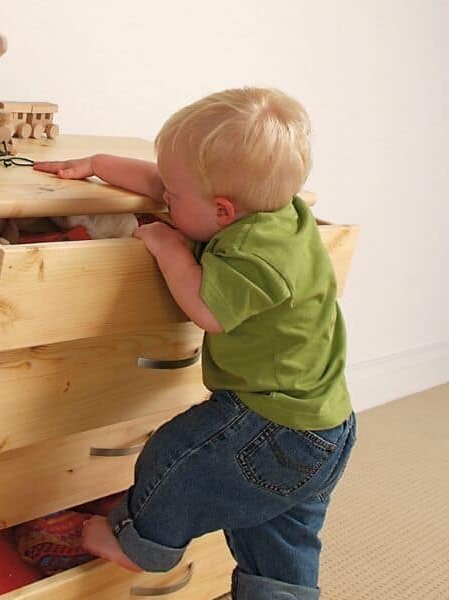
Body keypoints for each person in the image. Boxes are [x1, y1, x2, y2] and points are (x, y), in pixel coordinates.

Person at [32, 87, 357, 599]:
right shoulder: (272, 209)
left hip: (270, 424)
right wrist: (95, 163)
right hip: (325, 424)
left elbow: (205, 309)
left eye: (173, 200)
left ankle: (138, 543)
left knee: (179, 456)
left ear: (223, 211)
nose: (165, 200)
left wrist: (168, 247)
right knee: (276, 535)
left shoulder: (255, 255)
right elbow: (162, 182)